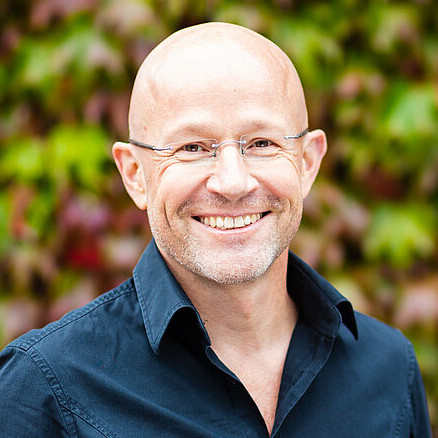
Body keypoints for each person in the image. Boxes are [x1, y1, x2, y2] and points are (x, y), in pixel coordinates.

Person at [0, 22, 432, 437]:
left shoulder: (389, 369)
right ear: (135, 175)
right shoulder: (44, 388)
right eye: (192, 147)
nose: (232, 182)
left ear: (306, 163)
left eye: (262, 143)